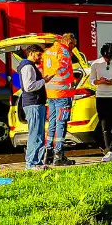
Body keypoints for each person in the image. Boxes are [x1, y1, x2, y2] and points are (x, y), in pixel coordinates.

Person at [42, 32, 79, 166]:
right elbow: (62, 70)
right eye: (73, 45)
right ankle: (59, 155)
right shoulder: (63, 52)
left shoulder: (48, 52)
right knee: (61, 123)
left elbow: (44, 70)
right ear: (69, 43)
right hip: (62, 93)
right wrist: (72, 79)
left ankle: (48, 153)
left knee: (51, 123)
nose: (73, 48)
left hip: (50, 94)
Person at [18, 45, 47, 170]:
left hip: (36, 103)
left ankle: (38, 162)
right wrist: (44, 81)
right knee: (35, 134)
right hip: (33, 104)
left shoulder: (29, 66)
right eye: (38, 55)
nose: (40, 57)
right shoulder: (28, 67)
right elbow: (29, 87)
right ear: (31, 53)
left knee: (39, 134)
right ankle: (31, 163)